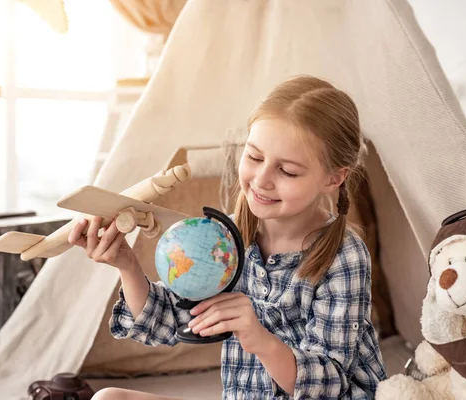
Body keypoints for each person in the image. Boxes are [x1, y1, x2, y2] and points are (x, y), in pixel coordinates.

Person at [69, 75, 387, 399]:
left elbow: (329, 385)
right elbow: (165, 319)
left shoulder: (344, 255)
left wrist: (259, 338)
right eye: (254, 157)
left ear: (334, 178)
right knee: (108, 398)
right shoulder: (224, 239)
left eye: (287, 171)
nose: (262, 180)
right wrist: (127, 264)